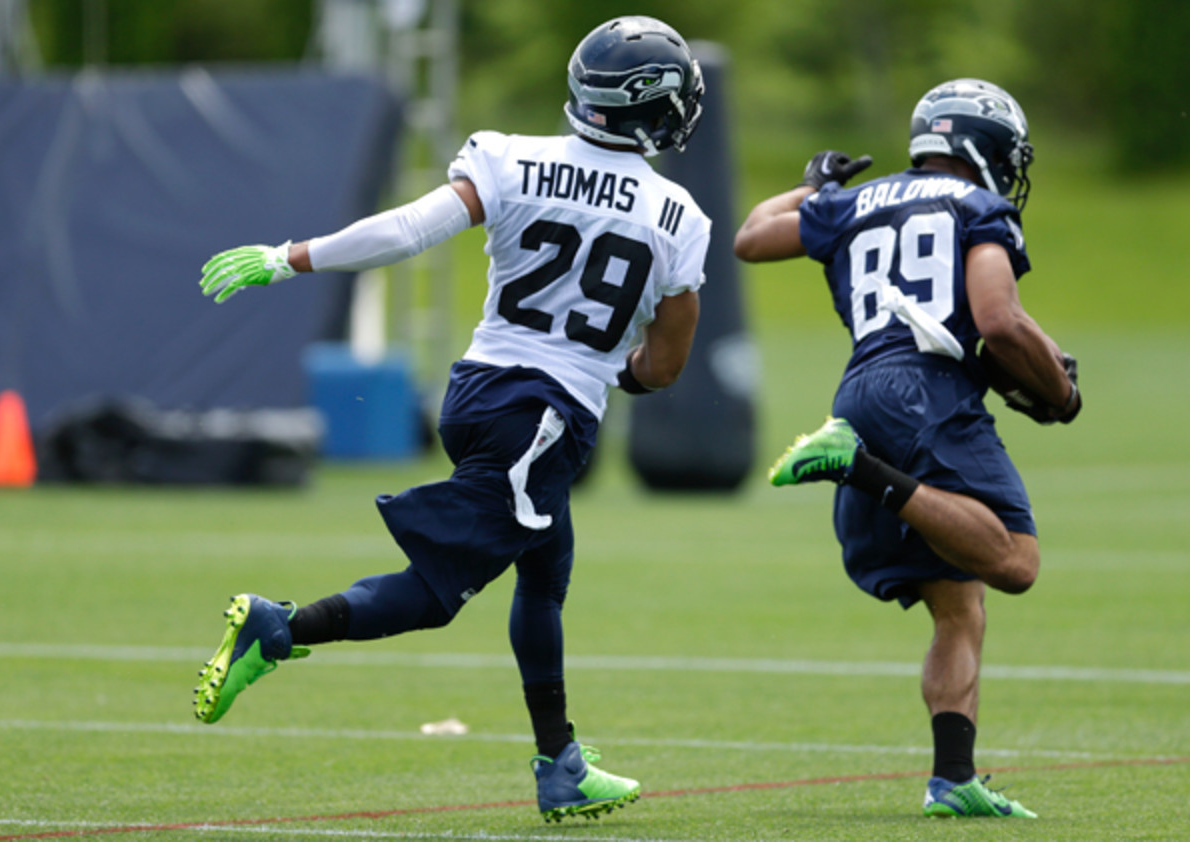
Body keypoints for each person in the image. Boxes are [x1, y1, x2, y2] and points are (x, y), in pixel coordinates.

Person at [192, 16, 709, 823]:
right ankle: (280, 628)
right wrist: (615, 370)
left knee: (544, 569)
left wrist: (289, 256)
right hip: (546, 415)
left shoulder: (510, 156)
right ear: (656, 108)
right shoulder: (678, 214)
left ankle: (560, 763)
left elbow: (404, 231)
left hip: (476, 391)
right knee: (435, 594)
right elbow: (664, 366)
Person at [734, 78, 1081, 819]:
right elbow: (999, 321)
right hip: (925, 391)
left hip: (859, 389)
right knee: (1015, 561)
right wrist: (1059, 392)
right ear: (982, 149)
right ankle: (854, 466)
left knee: (959, 600)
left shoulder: (853, 204)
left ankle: (953, 779)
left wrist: (810, 190)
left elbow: (751, 236)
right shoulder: (981, 206)